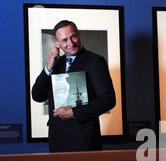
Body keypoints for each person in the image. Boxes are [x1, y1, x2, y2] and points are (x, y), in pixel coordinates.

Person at [32, 20, 116, 152]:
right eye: (64, 40)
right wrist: (48, 68)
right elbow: (37, 96)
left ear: (79, 35)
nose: (71, 43)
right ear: (57, 43)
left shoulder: (95, 61)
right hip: (57, 140)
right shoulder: (55, 64)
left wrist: (74, 112)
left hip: (85, 140)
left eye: (73, 37)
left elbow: (108, 100)